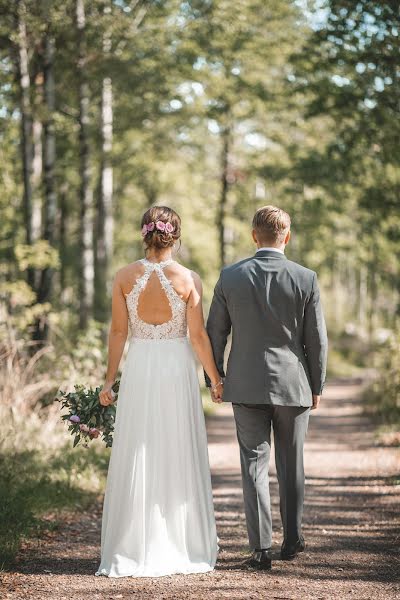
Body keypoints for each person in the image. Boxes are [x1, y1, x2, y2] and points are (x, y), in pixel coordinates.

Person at [95, 205, 222, 578]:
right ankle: (179, 542)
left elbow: (118, 332)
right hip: (176, 368)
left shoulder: (124, 276)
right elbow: (197, 337)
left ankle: (132, 544)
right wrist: (215, 378)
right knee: (175, 446)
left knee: (138, 448)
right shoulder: (188, 278)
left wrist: (108, 380)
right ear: (175, 236)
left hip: (140, 367)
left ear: (143, 233)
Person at [206, 205, 328, 571]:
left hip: (244, 384)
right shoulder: (305, 278)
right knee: (292, 464)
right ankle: (292, 540)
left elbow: (215, 331)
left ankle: (260, 548)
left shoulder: (230, 277)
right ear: (286, 237)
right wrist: (317, 383)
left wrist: (216, 377)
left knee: (254, 465)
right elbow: (316, 340)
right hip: (294, 384)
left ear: (253, 236)